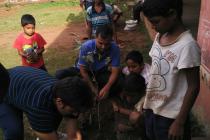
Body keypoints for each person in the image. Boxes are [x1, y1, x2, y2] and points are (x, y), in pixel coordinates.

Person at [142, 0, 201, 140]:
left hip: (171, 117)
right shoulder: (159, 36)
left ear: (172, 14)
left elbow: (194, 86)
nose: (152, 26)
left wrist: (179, 122)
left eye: (156, 21)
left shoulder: (187, 46)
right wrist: (146, 101)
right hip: (152, 109)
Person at [0, 66, 93, 140]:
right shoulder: (39, 108)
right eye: (74, 111)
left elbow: (73, 136)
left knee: (57, 116)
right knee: (14, 131)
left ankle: (46, 131)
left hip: (22, 79)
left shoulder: (68, 94)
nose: (76, 114)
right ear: (59, 102)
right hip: (4, 90)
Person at [56, 25, 120, 100]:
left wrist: (107, 87)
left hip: (100, 71)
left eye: (107, 44)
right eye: (100, 43)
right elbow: (83, 70)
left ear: (111, 40)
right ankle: (87, 87)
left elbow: (115, 72)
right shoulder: (86, 46)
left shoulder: (115, 48)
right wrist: (92, 88)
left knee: (119, 80)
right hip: (84, 71)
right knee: (60, 74)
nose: (103, 47)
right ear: (95, 38)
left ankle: (103, 92)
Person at [112, 73, 146, 140]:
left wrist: (119, 109)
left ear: (142, 91)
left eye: (132, 96)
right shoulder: (136, 94)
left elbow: (133, 114)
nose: (128, 99)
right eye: (126, 95)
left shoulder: (144, 103)